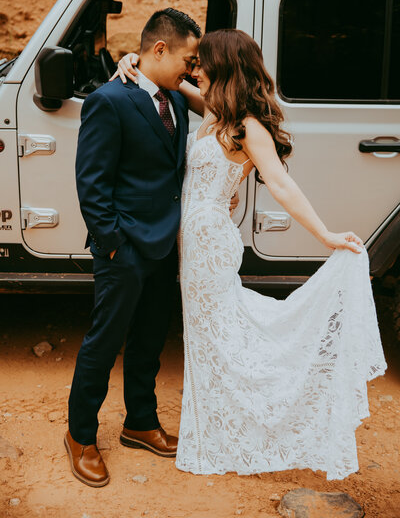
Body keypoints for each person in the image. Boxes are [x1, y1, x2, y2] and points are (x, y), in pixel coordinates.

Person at [115, 28, 387, 481]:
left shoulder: (247, 126)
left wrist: (325, 234)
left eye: (202, 62)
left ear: (223, 66)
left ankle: (244, 424)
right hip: (193, 244)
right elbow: (171, 82)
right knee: (207, 338)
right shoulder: (217, 112)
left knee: (219, 337)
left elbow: (280, 183)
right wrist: (133, 62)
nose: (194, 68)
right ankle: (217, 430)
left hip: (210, 246)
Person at [65, 8, 202, 487]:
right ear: (159, 49)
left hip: (164, 244)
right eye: (188, 57)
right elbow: (92, 183)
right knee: (104, 344)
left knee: (148, 343)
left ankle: (139, 423)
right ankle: (80, 436)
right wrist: (112, 246)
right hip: (123, 248)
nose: (193, 67)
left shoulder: (178, 100)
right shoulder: (108, 101)